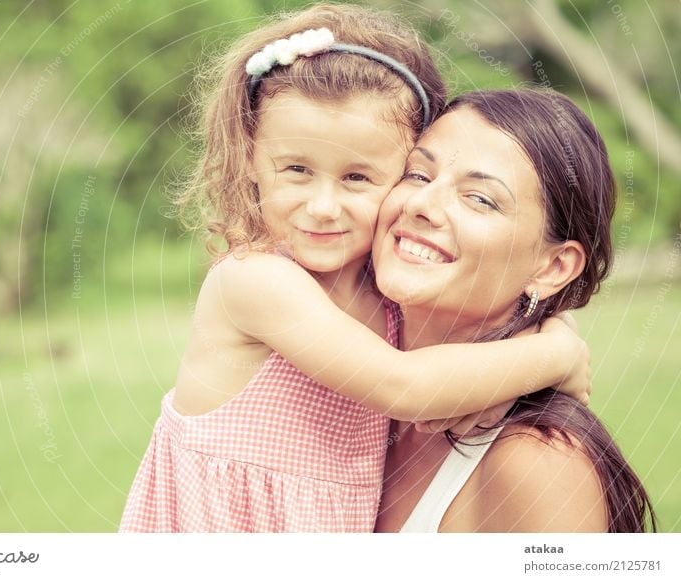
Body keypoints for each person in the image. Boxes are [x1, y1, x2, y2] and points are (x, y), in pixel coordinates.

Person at [119, 5, 590, 533]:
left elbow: (469, 334)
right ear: (252, 159)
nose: (323, 206)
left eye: (358, 178)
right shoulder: (255, 281)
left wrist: (554, 323)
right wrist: (555, 353)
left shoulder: (387, 289)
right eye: (297, 169)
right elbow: (405, 387)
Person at [373, 89, 656, 533]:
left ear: (553, 266)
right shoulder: (333, 368)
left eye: (480, 199)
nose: (421, 205)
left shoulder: (537, 462)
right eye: (417, 175)